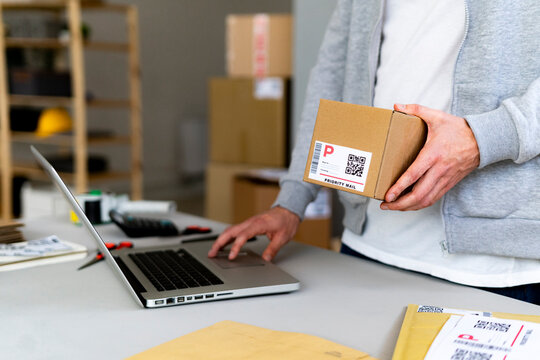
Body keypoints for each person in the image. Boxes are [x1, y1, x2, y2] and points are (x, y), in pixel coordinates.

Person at [209, 0, 540, 304]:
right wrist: (293, 200)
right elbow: (333, 71)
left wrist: (479, 140)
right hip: (369, 243)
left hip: (494, 265)